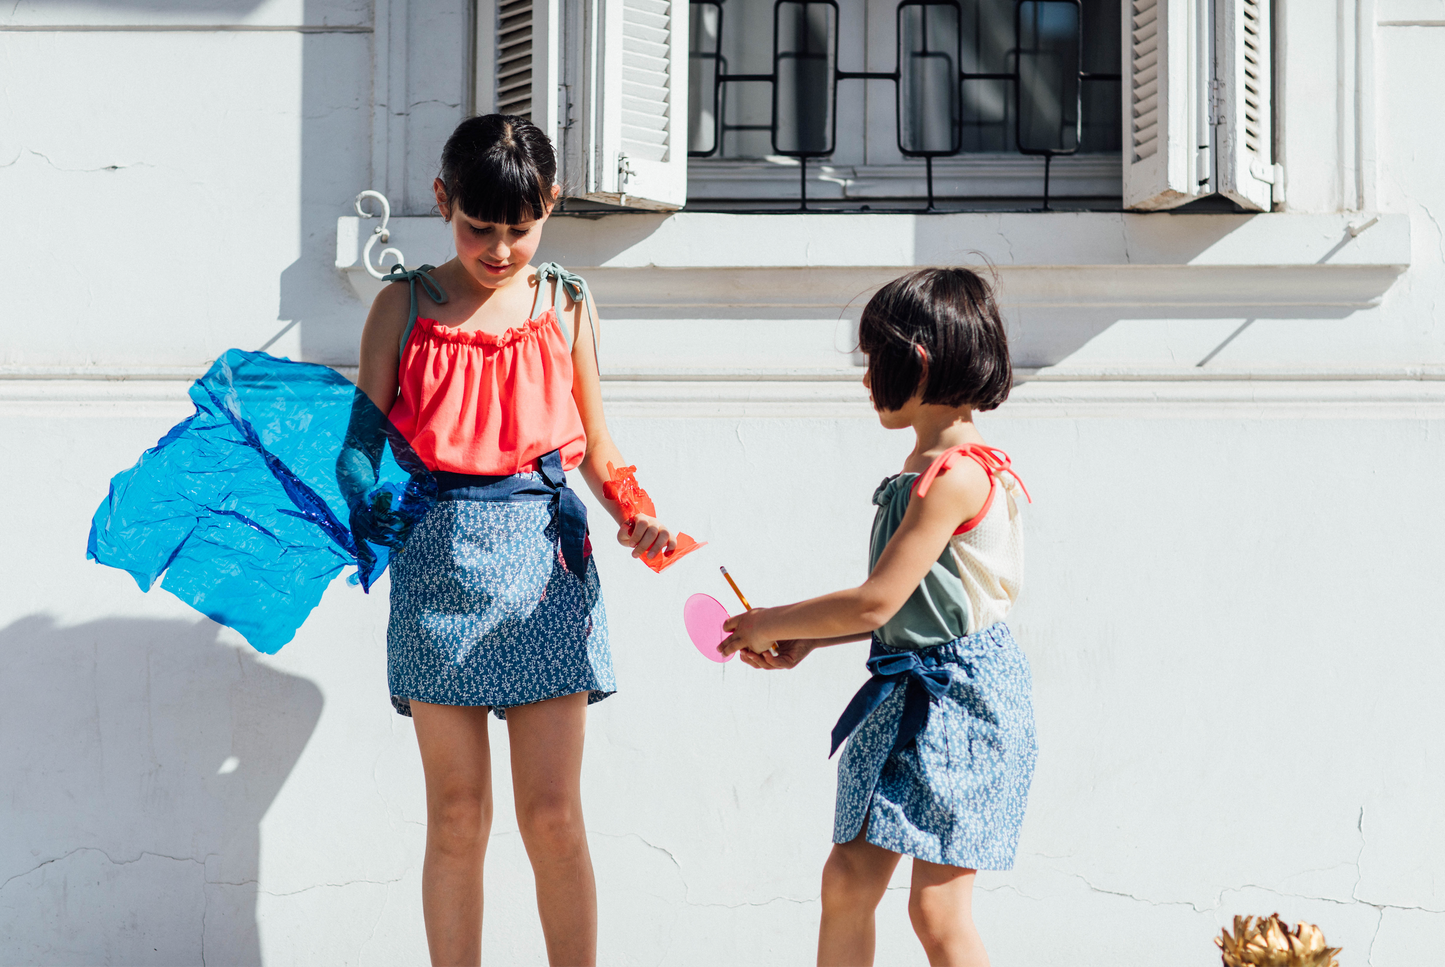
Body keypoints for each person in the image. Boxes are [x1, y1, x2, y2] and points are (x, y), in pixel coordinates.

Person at [345, 113, 682, 967]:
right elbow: (358, 447)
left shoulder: (567, 303)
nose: (499, 250)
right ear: (441, 201)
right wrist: (363, 498)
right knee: (457, 813)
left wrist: (634, 513)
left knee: (552, 816)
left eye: (519, 230)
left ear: (552, 205)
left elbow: (598, 448)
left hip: (546, 570)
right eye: (477, 228)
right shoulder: (403, 304)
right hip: (436, 569)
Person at [718, 267, 1037, 967]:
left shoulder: (955, 477)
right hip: (908, 692)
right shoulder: (927, 469)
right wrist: (806, 637)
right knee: (848, 881)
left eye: (872, 360)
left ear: (914, 360)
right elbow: (914, 605)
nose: (866, 378)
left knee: (936, 907)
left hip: (960, 704)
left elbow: (876, 600)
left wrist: (771, 619)